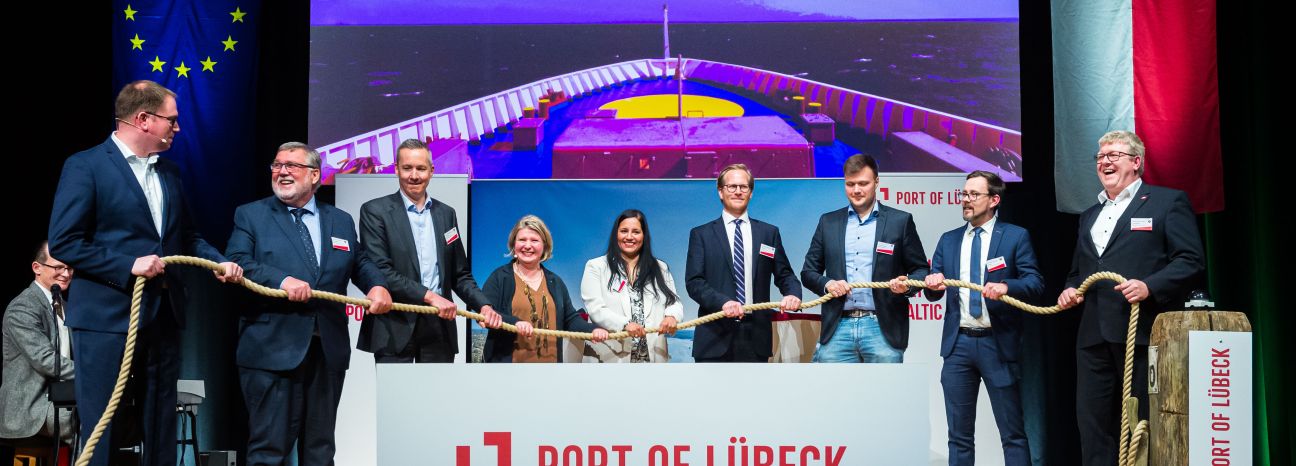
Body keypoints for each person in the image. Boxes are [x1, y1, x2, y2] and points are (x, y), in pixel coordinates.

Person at [46, 80, 242, 466]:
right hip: (105, 318)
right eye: (172, 119)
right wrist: (127, 265)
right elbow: (65, 241)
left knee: (160, 421)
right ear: (143, 119)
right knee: (103, 421)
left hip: (162, 314)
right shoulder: (86, 166)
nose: (178, 128)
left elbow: (185, 235)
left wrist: (216, 259)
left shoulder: (169, 172)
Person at [225, 142, 392, 466]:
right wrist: (282, 280)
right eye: (276, 165)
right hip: (271, 349)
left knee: (320, 450)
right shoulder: (252, 214)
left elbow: (359, 261)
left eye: (292, 165)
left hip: (326, 349)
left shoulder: (340, 220)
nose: (282, 171)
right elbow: (237, 260)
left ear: (315, 175)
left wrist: (378, 286)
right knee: (269, 449)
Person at [1056, 130, 1204, 466]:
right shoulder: (1088, 215)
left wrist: (1150, 285)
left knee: (1143, 421)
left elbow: (1191, 260)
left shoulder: (1167, 202)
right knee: (1092, 424)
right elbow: (1078, 272)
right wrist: (1069, 289)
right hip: (1093, 335)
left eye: (1114, 155)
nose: (1105, 161)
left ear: (1136, 162)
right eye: (1100, 157)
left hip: (1143, 332)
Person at [923, 171, 1043, 465]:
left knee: (1012, 434)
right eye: (964, 194)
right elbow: (933, 294)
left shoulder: (1015, 237)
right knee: (958, 436)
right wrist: (932, 284)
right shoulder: (948, 240)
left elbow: (1035, 283)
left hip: (997, 345)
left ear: (994, 200)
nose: (965, 200)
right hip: (958, 347)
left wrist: (1006, 286)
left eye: (973, 194)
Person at [357, 138, 502, 363]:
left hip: (438, 327)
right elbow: (380, 271)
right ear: (396, 169)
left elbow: (459, 274)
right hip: (394, 323)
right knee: (398, 399)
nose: (414, 175)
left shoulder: (446, 214)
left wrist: (483, 304)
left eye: (421, 168)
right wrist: (431, 297)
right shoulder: (374, 211)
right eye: (407, 168)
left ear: (431, 171)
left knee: (437, 398)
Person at [800, 154, 928, 363]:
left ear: (877, 182)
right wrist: (828, 283)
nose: (856, 190)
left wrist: (907, 287)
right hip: (837, 328)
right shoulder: (828, 222)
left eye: (863, 183)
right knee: (831, 394)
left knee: (885, 395)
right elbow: (808, 272)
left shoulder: (900, 221)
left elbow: (921, 270)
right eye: (850, 184)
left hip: (882, 329)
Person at [686, 164, 802, 362]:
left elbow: (785, 275)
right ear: (720, 192)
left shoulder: (768, 233)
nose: (738, 191)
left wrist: (792, 293)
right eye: (732, 187)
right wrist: (723, 303)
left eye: (744, 187)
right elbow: (694, 283)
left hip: (756, 337)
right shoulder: (701, 235)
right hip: (714, 338)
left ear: (751, 193)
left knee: (756, 394)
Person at [481, 215, 608, 363]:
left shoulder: (556, 282)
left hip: (550, 372)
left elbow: (570, 319)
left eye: (534, 240)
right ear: (513, 245)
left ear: (544, 247)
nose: (527, 245)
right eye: (522, 240)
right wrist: (515, 322)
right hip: (508, 373)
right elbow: (486, 314)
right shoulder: (499, 278)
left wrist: (592, 330)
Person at [581, 209, 683, 363]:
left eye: (636, 231)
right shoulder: (596, 266)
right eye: (624, 231)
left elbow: (674, 301)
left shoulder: (660, 268)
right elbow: (595, 308)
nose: (629, 237)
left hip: (652, 357)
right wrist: (625, 325)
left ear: (644, 236)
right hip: (610, 356)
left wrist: (672, 316)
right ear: (616, 234)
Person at [1, 242, 76, 444]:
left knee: (125, 416)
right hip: (33, 407)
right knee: (91, 419)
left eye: (69, 268)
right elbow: (46, 361)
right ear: (37, 268)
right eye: (58, 267)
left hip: (65, 398)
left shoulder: (65, 305)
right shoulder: (23, 307)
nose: (66, 274)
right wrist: (90, 375)